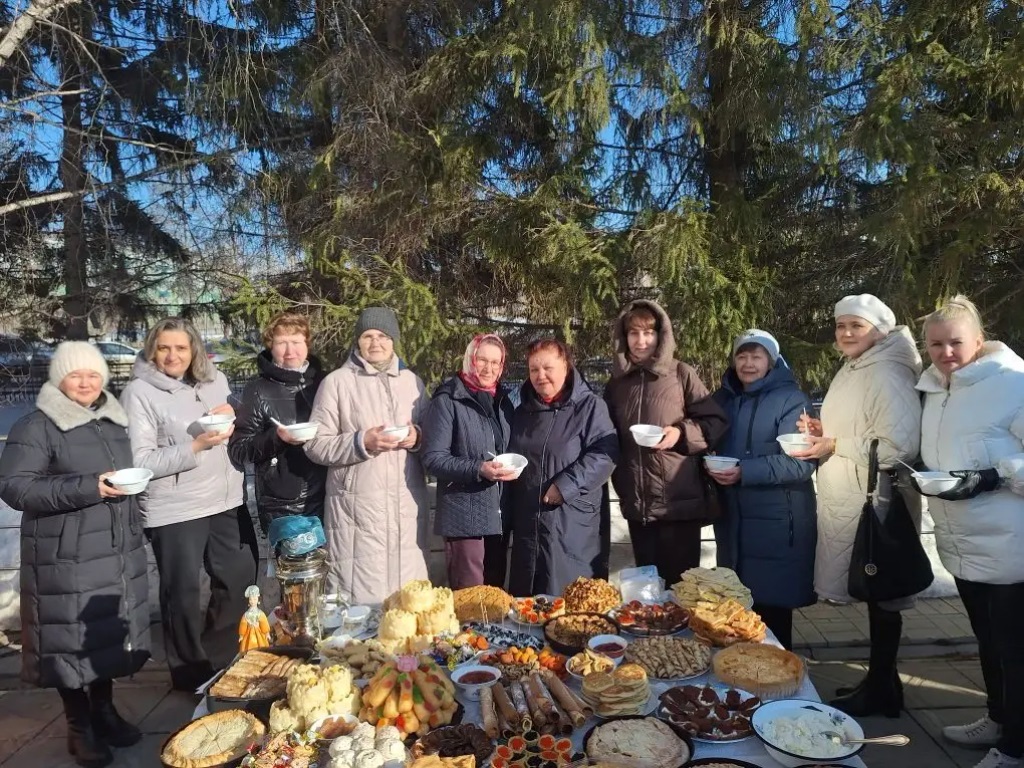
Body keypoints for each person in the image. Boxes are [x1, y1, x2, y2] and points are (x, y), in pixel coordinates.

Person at [0, 342, 149, 768]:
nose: (86, 382)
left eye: (93, 374)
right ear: (59, 379)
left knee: (100, 634)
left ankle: (104, 712)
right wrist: (91, 486)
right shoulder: (38, 426)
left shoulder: (113, 422)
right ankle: (78, 726)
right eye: (75, 374)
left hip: (112, 549)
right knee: (67, 641)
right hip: (63, 555)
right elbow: (15, 487)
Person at [795, 294, 923, 718]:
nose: (846, 333)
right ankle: (880, 682)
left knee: (882, 594)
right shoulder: (859, 366)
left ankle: (883, 688)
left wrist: (834, 443)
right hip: (855, 492)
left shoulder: (885, 371)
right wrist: (823, 429)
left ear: (880, 329)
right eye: (841, 325)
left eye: (857, 325)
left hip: (877, 499)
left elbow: (898, 446)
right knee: (874, 595)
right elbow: (864, 426)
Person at [912, 296, 1024, 768]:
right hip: (962, 542)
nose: (946, 352)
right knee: (986, 640)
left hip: (1011, 543)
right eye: (935, 344)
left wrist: (995, 476)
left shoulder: (1012, 383)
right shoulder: (936, 388)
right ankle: (997, 719)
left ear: (979, 340)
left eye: (956, 342)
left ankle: (1016, 747)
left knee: (1015, 650)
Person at [119, 318, 258, 692]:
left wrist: (235, 413)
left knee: (238, 578)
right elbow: (140, 460)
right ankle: (188, 671)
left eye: (180, 348)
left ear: (194, 349)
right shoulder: (139, 392)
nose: (172, 355)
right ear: (152, 350)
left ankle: (223, 657)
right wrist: (194, 447)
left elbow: (236, 420)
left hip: (225, 498)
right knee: (180, 591)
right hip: (174, 506)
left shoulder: (217, 379)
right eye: (164, 348)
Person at [303, 307, 430, 604]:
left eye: (383, 336)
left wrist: (417, 437)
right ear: (357, 342)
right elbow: (315, 445)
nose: (376, 342)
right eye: (368, 336)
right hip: (356, 513)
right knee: (362, 605)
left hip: (405, 509)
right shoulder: (337, 382)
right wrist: (363, 442)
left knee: (409, 607)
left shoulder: (412, 382)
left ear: (394, 340)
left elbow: (432, 436)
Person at [603, 300, 728, 583]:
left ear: (661, 335)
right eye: (634, 333)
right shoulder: (617, 383)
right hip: (638, 506)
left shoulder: (681, 373)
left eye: (648, 333)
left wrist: (680, 433)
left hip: (678, 504)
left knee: (680, 590)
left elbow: (715, 422)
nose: (641, 340)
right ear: (624, 337)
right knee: (648, 591)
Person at [708, 329, 817, 650]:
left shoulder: (792, 400)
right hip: (733, 519)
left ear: (771, 361)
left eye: (756, 356)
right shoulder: (722, 399)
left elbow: (801, 463)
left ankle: (784, 681)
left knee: (773, 612)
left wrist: (744, 471)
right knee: (738, 610)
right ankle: (744, 676)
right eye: (742, 355)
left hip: (778, 523)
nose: (748, 363)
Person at [506, 338, 619, 596]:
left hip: (571, 521)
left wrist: (565, 485)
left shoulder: (590, 407)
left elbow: (606, 453)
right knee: (529, 606)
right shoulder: (523, 411)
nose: (540, 376)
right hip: (528, 520)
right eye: (533, 369)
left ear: (566, 366)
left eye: (548, 368)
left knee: (571, 601)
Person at [420, 334, 516, 589]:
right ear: (470, 360)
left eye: (496, 362)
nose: (489, 368)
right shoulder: (448, 399)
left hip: (498, 516)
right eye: (482, 360)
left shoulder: (502, 400)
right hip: (464, 518)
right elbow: (433, 458)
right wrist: (478, 468)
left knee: (494, 597)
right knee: (470, 599)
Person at [228, 311, 327, 534]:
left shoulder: (326, 382)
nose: (290, 351)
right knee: (298, 569)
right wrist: (277, 438)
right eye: (282, 343)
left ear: (307, 344)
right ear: (270, 346)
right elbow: (240, 450)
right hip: (286, 505)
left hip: (332, 495)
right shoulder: (258, 390)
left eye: (296, 342)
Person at [238, 585, 272, 654]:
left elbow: (263, 622)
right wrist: (241, 635)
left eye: (254, 599)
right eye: (251, 599)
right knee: (247, 647)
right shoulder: (246, 614)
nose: (252, 601)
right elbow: (243, 624)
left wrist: (266, 633)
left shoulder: (260, 613)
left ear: (258, 600)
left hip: (258, 632)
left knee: (261, 645)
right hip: (249, 633)